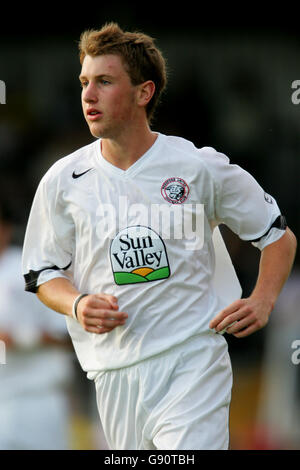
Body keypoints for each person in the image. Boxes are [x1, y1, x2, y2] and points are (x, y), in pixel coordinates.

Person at [22, 22, 297, 450]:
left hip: (192, 358)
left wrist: (262, 299)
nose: (88, 95)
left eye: (104, 82)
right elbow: (41, 271)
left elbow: (278, 236)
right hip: (113, 371)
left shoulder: (197, 167)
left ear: (143, 92)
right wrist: (76, 304)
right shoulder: (63, 180)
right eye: (84, 83)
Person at [0, 197, 74, 450]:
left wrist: (20, 338)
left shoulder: (31, 269)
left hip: (38, 398)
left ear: (6, 228)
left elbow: (66, 336)